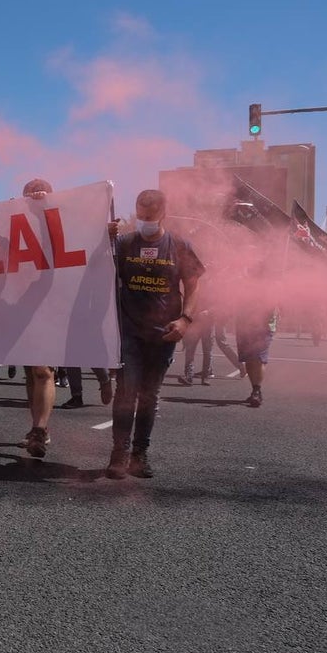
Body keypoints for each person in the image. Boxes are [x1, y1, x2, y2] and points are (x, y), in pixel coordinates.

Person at [106, 189, 204, 479]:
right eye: (140, 216)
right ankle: (118, 454)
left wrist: (186, 320)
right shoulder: (123, 243)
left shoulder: (180, 246)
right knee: (126, 393)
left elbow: (194, 284)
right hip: (129, 331)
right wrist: (103, 237)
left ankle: (140, 455)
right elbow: (96, 268)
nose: (143, 222)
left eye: (149, 217)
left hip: (163, 333)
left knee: (149, 396)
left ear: (164, 214)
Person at [18, 178, 59, 458]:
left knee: (43, 370)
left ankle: (41, 429)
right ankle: (36, 426)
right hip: (21, 306)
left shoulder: (57, 222)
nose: (33, 198)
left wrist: (44, 210)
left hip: (51, 305)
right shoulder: (13, 222)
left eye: (37, 195)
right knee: (30, 373)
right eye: (28, 195)